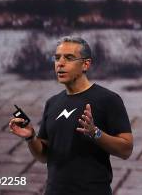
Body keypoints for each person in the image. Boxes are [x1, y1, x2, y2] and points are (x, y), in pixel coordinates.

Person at [8, 36, 133, 194]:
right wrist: (31, 137)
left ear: (85, 64)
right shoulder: (52, 103)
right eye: (57, 58)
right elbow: (44, 156)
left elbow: (126, 149)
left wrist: (95, 133)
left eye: (69, 58)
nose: (60, 63)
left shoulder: (108, 100)